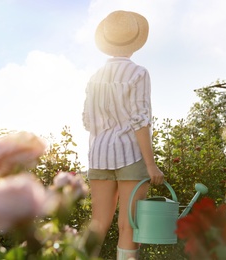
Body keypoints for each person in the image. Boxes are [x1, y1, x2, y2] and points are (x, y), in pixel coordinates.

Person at [82, 10, 165, 260]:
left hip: (98, 155)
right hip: (129, 155)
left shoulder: (94, 77)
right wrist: (151, 165)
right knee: (129, 225)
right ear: (134, 42)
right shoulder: (138, 73)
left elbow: (87, 121)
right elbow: (140, 119)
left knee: (97, 224)